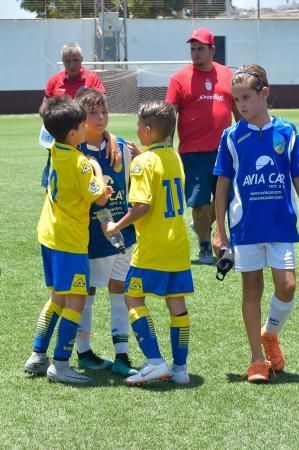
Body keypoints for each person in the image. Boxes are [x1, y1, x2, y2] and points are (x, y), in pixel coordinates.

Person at [213, 64, 299, 382]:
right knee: (252, 288)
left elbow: (296, 176)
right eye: (236, 100)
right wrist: (220, 230)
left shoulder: (287, 133)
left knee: (288, 285)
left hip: (280, 225)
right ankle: (256, 360)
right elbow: (222, 185)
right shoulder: (232, 137)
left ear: (264, 94)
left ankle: (270, 333)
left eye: (247, 97)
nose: (242, 105)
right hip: (246, 227)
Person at [104, 101, 194, 386]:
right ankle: (180, 369)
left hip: (152, 248)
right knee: (176, 304)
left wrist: (115, 226)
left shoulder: (143, 163)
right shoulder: (175, 157)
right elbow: (161, 176)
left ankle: (155, 362)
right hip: (178, 246)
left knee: (132, 297)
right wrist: (143, 155)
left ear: (146, 129)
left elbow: (142, 205)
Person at [25, 96, 112, 384]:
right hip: (69, 241)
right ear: (74, 132)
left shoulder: (55, 150)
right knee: (75, 300)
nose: (89, 125)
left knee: (57, 299)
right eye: (83, 123)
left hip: (48, 235)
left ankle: (38, 355)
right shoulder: (81, 163)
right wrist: (97, 169)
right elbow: (99, 196)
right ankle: (60, 364)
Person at [74, 88, 137, 377]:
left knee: (120, 289)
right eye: (92, 114)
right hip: (89, 234)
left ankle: (122, 354)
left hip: (124, 231)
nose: (100, 118)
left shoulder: (121, 145)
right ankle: (84, 351)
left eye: (104, 112)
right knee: (86, 291)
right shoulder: (73, 149)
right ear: (80, 118)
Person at [166, 28, 240, 264]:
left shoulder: (228, 75)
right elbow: (169, 116)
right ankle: (205, 246)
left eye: (200, 49)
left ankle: (216, 234)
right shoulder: (179, 78)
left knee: (227, 200)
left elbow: (239, 112)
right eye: (193, 50)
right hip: (193, 153)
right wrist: (165, 150)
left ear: (212, 50)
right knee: (198, 203)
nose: (195, 54)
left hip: (225, 151)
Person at [38, 42, 120, 188]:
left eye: (75, 60)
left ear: (82, 59)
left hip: (85, 141)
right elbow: (43, 109)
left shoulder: (92, 79)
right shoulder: (54, 81)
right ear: (62, 61)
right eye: (67, 61)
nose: (72, 64)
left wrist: (108, 134)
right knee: (57, 181)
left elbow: (101, 107)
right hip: (62, 141)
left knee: (85, 180)